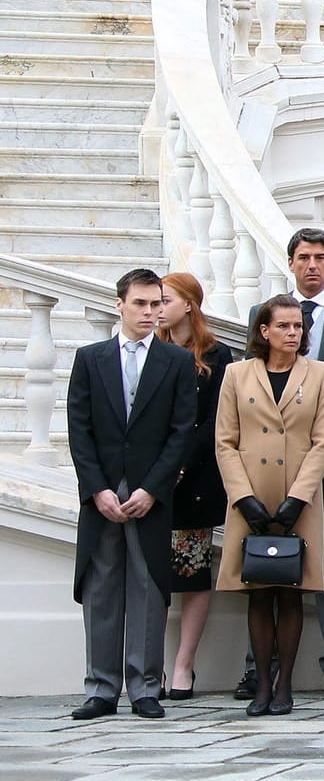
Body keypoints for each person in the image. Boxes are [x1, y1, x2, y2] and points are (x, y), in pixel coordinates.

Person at [238, 228, 324, 703]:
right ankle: (258, 667)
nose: (312, 265)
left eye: (320, 257)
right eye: (303, 257)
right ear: (291, 262)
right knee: (264, 567)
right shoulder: (265, 314)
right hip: (268, 467)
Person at [67, 268, 198, 722]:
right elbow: (78, 431)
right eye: (140, 304)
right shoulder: (89, 358)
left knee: (147, 586)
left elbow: (182, 432)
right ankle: (101, 688)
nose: (150, 312)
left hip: (150, 492)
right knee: (101, 587)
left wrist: (153, 488)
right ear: (120, 304)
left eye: (156, 303)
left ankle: (145, 687)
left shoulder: (177, 362)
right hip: (102, 492)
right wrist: (98, 490)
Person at [213, 294, 324, 717]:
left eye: (298, 326)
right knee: (258, 593)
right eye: (283, 326)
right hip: (249, 497)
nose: (292, 333)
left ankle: (285, 684)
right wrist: (242, 497)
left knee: (291, 592)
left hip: (298, 500)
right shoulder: (236, 374)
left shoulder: (321, 374)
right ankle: (261, 683)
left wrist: (297, 499)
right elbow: (225, 441)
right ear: (263, 331)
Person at [155, 272, 232, 701]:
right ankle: (155, 666)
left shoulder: (216, 354)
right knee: (155, 576)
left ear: (189, 304)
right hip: (155, 478)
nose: (157, 307)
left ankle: (184, 665)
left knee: (193, 572)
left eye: (165, 299)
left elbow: (215, 420)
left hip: (198, 476)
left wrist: (182, 464)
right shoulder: (154, 351)